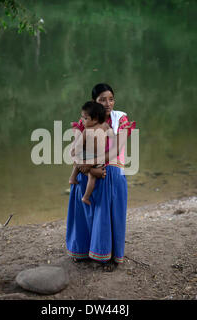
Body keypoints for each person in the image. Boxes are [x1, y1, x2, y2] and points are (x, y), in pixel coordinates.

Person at [66, 83, 136, 270]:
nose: (108, 103)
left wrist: (91, 165)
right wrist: (89, 169)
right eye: (102, 99)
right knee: (80, 189)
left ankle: (109, 256)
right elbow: (74, 151)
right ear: (93, 102)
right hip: (90, 168)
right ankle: (82, 251)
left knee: (108, 207)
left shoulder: (120, 118)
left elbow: (115, 151)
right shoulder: (87, 119)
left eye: (111, 99)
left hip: (111, 168)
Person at [69, 101, 113, 205]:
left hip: (91, 156)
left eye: (85, 118)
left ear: (96, 118)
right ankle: (85, 196)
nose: (82, 121)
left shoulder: (88, 130)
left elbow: (79, 146)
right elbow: (112, 135)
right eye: (82, 118)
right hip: (92, 156)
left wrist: (77, 152)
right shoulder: (104, 126)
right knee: (91, 177)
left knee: (79, 164)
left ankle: (73, 178)